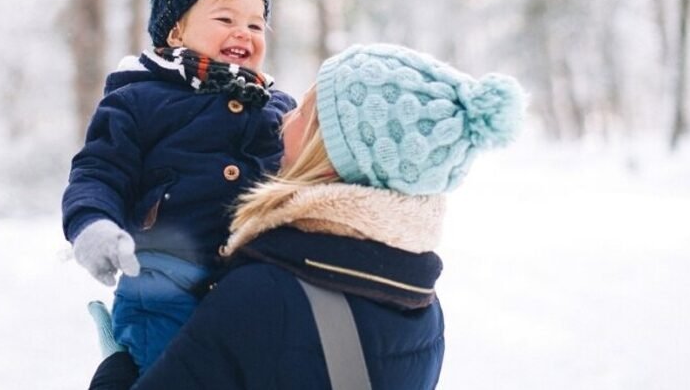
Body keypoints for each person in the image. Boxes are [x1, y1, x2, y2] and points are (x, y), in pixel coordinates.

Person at [88, 42, 526, 389]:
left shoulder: (265, 296)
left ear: (331, 152)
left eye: (305, 109)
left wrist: (116, 369)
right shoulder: (420, 302)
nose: (284, 118)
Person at [62, 0, 297, 372]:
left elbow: (308, 173)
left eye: (256, 24)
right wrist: (91, 223)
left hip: (255, 281)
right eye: (225, 19)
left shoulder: (277, 107)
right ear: (175, 32)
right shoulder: (139, 99)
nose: (244, 32)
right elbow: (99, 170)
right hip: (161, 280)